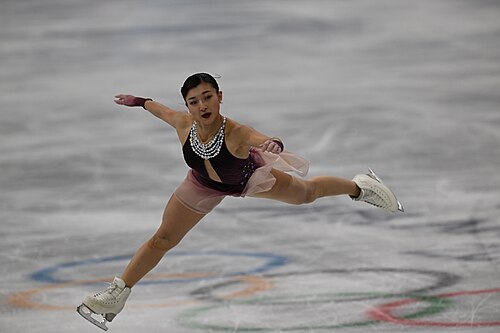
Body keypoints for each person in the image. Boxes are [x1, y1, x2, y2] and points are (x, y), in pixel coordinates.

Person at [77, 73, 403, 330]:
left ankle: (359, 187)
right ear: (188, 106)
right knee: (162, 238)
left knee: (306, 194)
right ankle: (117, 295)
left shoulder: (236, 132)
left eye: (207, 97)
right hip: (201, 186)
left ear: (219, 97)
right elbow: (158, 108)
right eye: (194, 101)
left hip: (249, 180)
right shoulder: (183, 123)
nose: (202, 105)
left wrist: (273, 144)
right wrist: (138, 101)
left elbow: (260, 138)